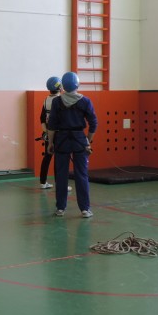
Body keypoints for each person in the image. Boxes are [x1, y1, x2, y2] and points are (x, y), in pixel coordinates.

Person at [46, 71, 97, 218]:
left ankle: (60, 208)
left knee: (61, 175)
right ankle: (85, 209)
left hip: (61, 140)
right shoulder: (85, 101)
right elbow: (93, 123)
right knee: (81, 175)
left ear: (63, 86)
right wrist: (88, 140)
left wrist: (50, 143)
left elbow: (52, 125)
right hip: (79, 139)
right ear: (77, 84)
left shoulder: (57, 102)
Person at [38, 76, 62, 189]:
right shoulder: (60, 100)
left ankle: (43, 182)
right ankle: (60, 184)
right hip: (59, 133)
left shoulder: (46, 100)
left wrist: (46, 132)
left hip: (48, 133)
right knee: (59, 159)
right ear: (59, 87)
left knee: (47, 157)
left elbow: (42, 118)